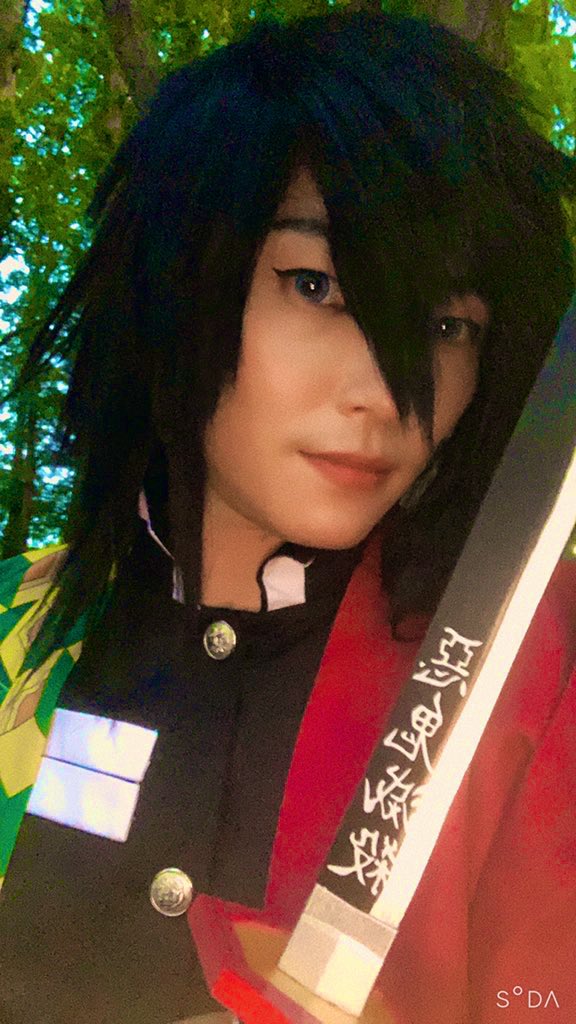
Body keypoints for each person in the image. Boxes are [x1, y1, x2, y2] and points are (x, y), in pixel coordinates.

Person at [0, 9, 574, 1024]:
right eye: (315, 285)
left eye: (448, 326)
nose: (387, 394)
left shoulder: (522, 676)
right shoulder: (16, 633)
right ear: (178, 277)